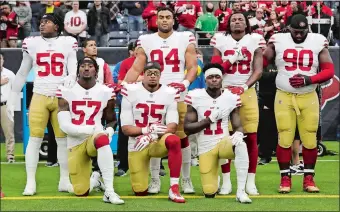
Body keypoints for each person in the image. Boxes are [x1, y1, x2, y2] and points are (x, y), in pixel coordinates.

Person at [123, 7, 198, 194]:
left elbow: (192, 66)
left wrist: (185, 83)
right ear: (156, 20)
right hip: (153, 95)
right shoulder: (146, 40)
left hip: (176, 94)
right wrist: (123, 84)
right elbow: (136, 66)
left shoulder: (185, 37)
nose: (164, 20)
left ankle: (185, 179)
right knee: (154, 136)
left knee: (182, 138)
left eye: (168, 17)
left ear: (174, 20)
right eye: (161, 17)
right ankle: (155, 179)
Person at [6, 13, 77, 196]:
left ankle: (64, 180)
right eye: (41, 22)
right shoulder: (32, 43)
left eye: (47, 22)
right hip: (39, 94)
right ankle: (30, 183)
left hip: (60, 96)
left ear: (57, 26)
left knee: (63, 141)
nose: (42, 24)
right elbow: (22, 72)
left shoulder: (68, 42)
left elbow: (73, 66)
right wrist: (13, 95)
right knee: (35, 140)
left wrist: (71, 78)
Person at [263, 14, 334, 193]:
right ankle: (285, 178)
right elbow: (261, 62)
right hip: (284, 95)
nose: (300, 35)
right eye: (296, 31)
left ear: (307, 29)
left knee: (310, 138)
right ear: (288, 29)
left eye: (303, 31)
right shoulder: (278, 39)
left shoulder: (318, 40)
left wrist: (309, 79)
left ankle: (309, 178)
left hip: (308, 95)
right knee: (285, 136)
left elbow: (329, 70)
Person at [210, 12, 264, 195]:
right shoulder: (220, 40)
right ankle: (226, 181)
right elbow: (216, 70)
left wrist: (244, 86)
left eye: (241, 19)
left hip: (246, 92)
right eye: (234, 19)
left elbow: (258, 70)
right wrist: (231, 59)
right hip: (224, 92)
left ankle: (250, 181)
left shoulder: (255, 39)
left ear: (247, 23)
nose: (237, 22)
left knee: (251, 137)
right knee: (225, 138)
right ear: (228, 23)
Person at [56, 57, 124, 204]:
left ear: (96, 70)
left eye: (90, 66)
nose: (86, 68)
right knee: (80, 191)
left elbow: (111, 119)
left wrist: (109, 132)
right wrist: (88, 129)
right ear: (77, 70)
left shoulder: (106, 91)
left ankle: (109, 192)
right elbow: (64, 126)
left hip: (94, 138)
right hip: (75, 142)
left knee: (102, 139)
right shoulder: (66, 90)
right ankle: (95, 181)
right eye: (82, 66)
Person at [184, 63, 251, 203]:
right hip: (205, 147)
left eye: (217, 77)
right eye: (210, 77)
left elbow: (238, 125)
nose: (214, 79)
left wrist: (239, 133)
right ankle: (216, 178)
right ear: (205, 79)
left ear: (221, 79)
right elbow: (187, 128)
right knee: (209, 192)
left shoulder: (231, 97)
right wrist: (208, 120)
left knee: (241, 144)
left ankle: (241, 192)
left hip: (223, 142)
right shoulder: (195, 96)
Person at [120, 61, 185, 203]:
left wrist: (152, 135)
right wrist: (146, 130)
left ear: (160, 76)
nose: (153, 76)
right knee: (140, 191)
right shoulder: (130, 91)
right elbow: (126, 129)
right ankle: (151, 180)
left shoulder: (169, 93)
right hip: (137, 143)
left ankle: (174, 188)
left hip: (157, 140)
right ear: (143, 75)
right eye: (149, 73)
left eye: (156, 73)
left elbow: (172, 126)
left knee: (174, 139)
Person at [0, 52, 16, 163]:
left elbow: (16, 88)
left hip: (5, 105)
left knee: (9, 132)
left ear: (3, 60)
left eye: (0, 59)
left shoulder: (9, 74)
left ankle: (10, 155)